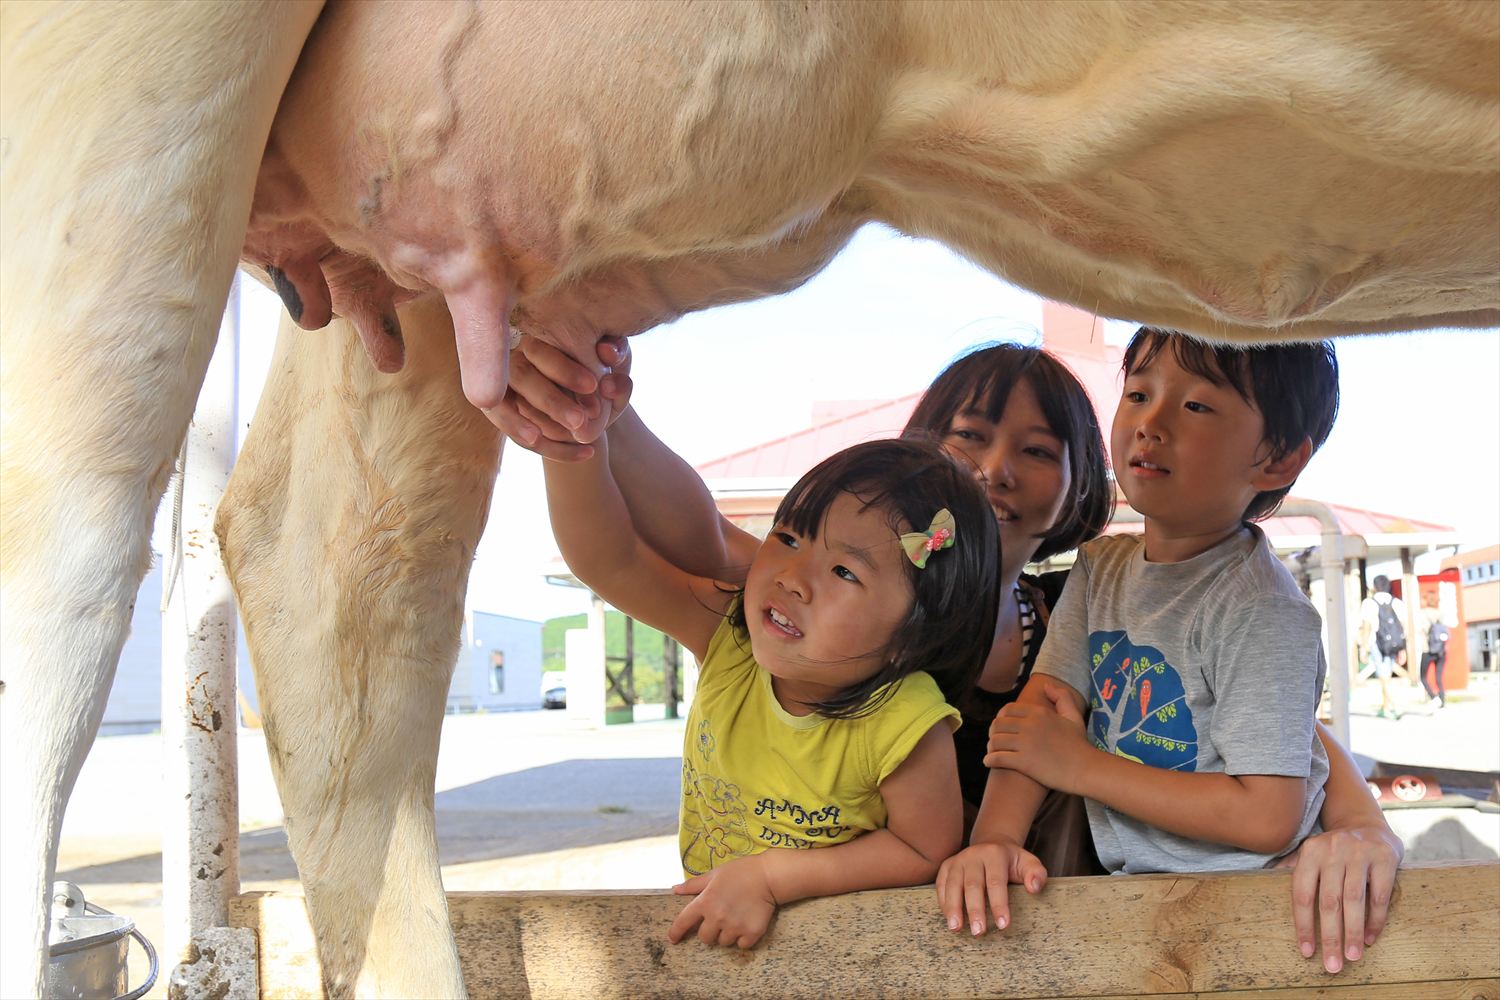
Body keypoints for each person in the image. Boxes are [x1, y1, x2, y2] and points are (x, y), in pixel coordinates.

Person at [505, 330, 1402, 972]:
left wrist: (1362, 830)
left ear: (1076, 482)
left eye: (1036, 450)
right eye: (968, 437)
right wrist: (596, 417)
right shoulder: (816, 601)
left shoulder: (1080, 600)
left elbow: (1269, 735)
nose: (993, 468)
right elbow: (693, 541)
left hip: (1040, 941)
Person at [947, 328, 1347, 939]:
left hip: (1259, 900)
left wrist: (1081, 768)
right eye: (1137, 394)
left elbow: (1268, 815)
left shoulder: (1262, 609)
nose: (1150, 423)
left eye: (1196, 406)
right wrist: (995, 842)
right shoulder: (1100, 569)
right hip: (1137, 893)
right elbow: (1039, 722)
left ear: (1279, 457)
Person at [544, 431, 1002, 949]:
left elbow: (925, 849)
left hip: (841, 954)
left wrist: (771, 878)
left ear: (913, 634)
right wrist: (571, 444)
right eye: (788, 538)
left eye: (844, 571)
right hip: (720, 937)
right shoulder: (731, 637)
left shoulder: (907, 720)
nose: (793, 577)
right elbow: (612, 561)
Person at [1360, 575, 1408, 719]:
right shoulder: (1397, 603)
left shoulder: (1369, 603)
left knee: (1383, 677)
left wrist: (1363, 647)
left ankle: (1395, 706)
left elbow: (1367, 626)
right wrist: (1403, 648)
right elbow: (1403, 628)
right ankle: (1385, 707)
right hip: (1395, 644)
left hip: (1378, 643)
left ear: (1374, 587)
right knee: (1385, 674)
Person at [1419, 592, 1451, 708]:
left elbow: (1422, 630)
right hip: (1441, 650)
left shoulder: (1423, 613)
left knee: (1423, 677)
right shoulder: (1441, 613)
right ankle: (1442, 700)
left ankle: (1433, 697)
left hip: (1427, 649)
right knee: (1439, 677)